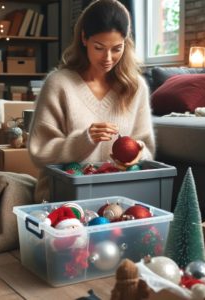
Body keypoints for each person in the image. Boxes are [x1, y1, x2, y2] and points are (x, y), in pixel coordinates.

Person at [28, 0, 155, 202]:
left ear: (126, 43)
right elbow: (39, 151)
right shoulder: (59, 83)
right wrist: (83, 141)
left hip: (119, 198)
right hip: (64, 199)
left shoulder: (135, 87)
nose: (108, 58)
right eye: (99, 47)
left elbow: (146, 147)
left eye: (116, 48)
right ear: (84, 38)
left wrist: (138, 152)